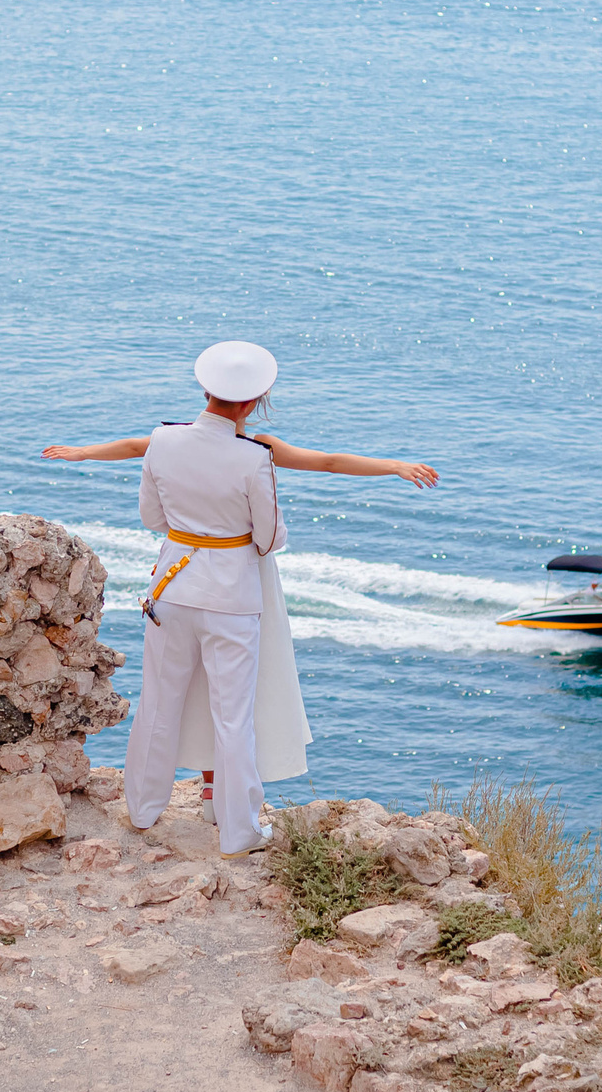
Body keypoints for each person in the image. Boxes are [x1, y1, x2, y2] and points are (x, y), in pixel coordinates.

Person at [41, 342, 438, 855]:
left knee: (159, 703)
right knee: (233, 716)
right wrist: (395, 466)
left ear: (205, 390)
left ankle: (141, 809)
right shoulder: (256, 457)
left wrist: (83, 453)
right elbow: (271, 536)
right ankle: (237, 831)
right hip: (231, 596)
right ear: (255, 400)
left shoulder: (165, 440)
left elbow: (152, 517)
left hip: (171, 587)